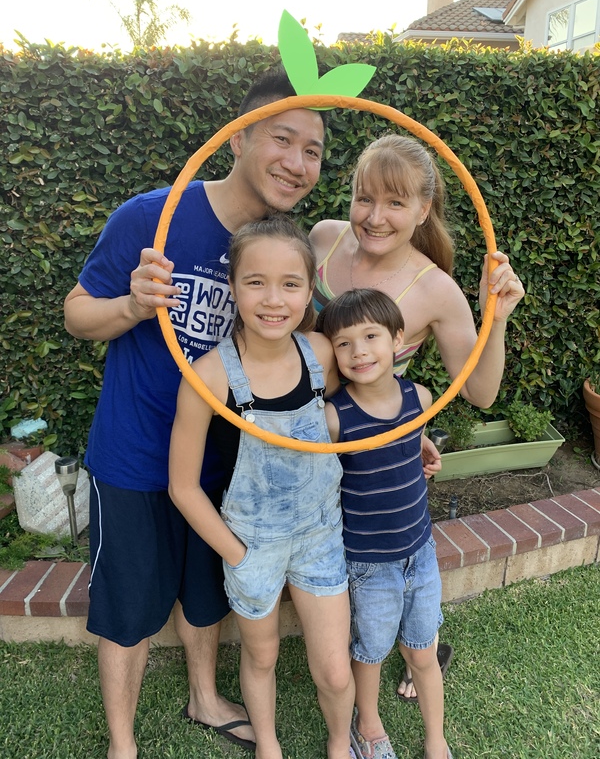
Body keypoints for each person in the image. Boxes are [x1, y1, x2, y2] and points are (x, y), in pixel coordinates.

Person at [63, 67, 328, 759]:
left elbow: (321, 351)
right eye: (284, 139)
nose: (298, 163)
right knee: (127, 604)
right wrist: (128, 306)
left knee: (204, 592)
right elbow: (76, 313)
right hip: (136, 456)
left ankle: (205, 696)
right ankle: (122, 743)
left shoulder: (284, 249)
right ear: (238, 138)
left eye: (314, 151)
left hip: (230, 466)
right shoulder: (153, 215)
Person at [309, 133, 524, 702]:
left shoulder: (435, 289)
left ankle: (420, 649)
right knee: (335, 558)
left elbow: (479, 391)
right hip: (306, 437)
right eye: (363, 198)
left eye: (395, 203)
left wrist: (493, 318)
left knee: (388, 554)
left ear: (423, 209)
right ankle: (356, 653)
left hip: (374, 452)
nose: (374, 217)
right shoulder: (324, 240)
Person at [168, 216, 357, 759]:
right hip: (253, 541)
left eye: (290, 284)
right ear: (232, 285)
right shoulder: (210, 375)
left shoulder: (321, 355)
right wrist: (239, 554)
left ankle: (340, 745)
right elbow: (182, 485)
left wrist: (408, 440)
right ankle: (268, 745)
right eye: (255, 282)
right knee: (262, 656)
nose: (273, 299)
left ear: (309, 288)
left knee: (335, 668)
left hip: (321, 532)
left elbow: (350, 415)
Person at [318, 287, 453, 759]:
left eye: (371, 336)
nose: (359, 352)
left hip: (420, 550)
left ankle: (436, 738)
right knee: (370, 650)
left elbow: (408, 445)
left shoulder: (421, 396)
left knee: (422, 650)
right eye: (344, 343)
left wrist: (421, 452)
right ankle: (369, 725)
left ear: (398, 340)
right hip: (369, 561)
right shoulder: (335, 418)